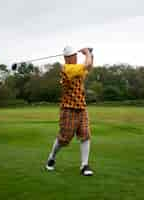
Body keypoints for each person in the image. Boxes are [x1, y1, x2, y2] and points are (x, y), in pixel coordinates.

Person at [45, 46, 94, 176]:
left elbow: (88, 67)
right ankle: (51, 157)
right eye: (74, 56)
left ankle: (84, 165)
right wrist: (87, 53)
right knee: (64, 139)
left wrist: (91, 55)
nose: (76, 58)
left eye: (76, 56)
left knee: (86, 135)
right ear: (67, 58)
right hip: (68, 109)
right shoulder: (67, 68)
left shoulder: (77, 68)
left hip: (81, 107)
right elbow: (86, 64)